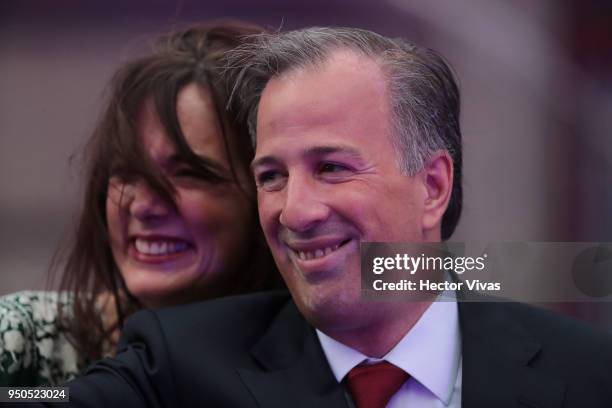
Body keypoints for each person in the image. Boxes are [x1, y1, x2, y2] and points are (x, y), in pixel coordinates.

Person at [29, 27, 612, 407]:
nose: (296, 211)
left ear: (432, 185)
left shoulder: (586, 376)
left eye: (332, 168)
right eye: (271, 177)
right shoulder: (177, 366)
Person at [0, 21, 281, 387]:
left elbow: (380, 270)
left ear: (267, 189)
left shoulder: (330, 339)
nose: (143, 206)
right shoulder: (20, 339)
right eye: (126, 173)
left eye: (188, 173)